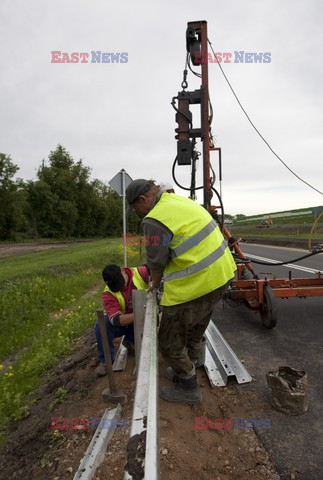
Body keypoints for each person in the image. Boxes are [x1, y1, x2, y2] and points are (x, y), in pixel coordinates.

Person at [126, 179, 237, 404]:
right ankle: (188, 367)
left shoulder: (154, 219)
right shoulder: (179, 202)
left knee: (168, 341)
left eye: (136, 208)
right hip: (221, 275)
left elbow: (156, 264)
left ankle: (188, 386)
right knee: (194, 329)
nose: (138, 213)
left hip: (197, 284)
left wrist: (152, 287)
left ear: (143, 200)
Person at [95, 263, 149, 376]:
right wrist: (140, 313)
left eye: (120, 283)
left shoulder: (140, 273)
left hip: (140, 323)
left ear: (122, 271)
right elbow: (115, 320)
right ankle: (106, 361)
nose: (119, 288)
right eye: (115, 286)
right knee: (102, 325)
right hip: (125, 322)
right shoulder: (108, 293)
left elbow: (158, 274)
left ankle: (130, 341)